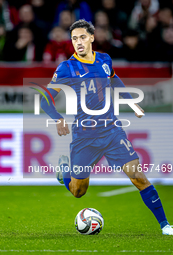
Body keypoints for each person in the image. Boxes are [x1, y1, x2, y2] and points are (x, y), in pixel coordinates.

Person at [40, 19, 173, 235]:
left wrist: (130, 101)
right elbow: (45, 99)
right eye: (74, 39)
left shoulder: (104, 60)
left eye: (82, 37)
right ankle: (65, 174)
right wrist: (57, 118)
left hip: (112, 131)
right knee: (78, 192)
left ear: (92, 37)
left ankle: (165, 225)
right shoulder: (66, 68)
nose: (78, 42)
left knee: (138, 177)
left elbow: (114, 79)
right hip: (84, 137)